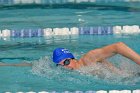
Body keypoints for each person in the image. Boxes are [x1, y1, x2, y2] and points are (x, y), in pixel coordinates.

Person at [0, 42, 140, 74]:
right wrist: (5, 66)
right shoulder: (66, 69)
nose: (65, 66)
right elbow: (32, 65)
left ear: (72, 58)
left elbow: (118, 46)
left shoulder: (88, 59)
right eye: (60, 65)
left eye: (66, 62)